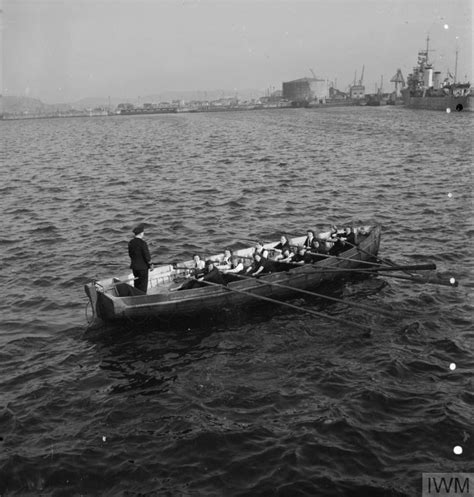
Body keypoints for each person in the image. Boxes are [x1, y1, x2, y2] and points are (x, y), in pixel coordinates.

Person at [128, 223, 153, 293]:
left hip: (134, 268)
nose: (143, 234)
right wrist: (151, 265)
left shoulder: (130, 243)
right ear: (141, 233)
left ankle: (136, 296)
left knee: (137, 284)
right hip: (143, 268)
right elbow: (147, 256)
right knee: (143, 286)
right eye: (143, 232)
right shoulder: (143, 243)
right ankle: (142, 298)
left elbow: (130, 254)